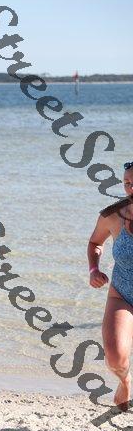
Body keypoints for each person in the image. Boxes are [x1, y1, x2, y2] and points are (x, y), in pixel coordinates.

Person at [88, 161, 133, 411]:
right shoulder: (113, 215)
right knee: (115, 359)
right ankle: (125, 381)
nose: (131, 188)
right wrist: (94, 269)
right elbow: (95, 242)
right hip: (123, 295)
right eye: (127, 183)